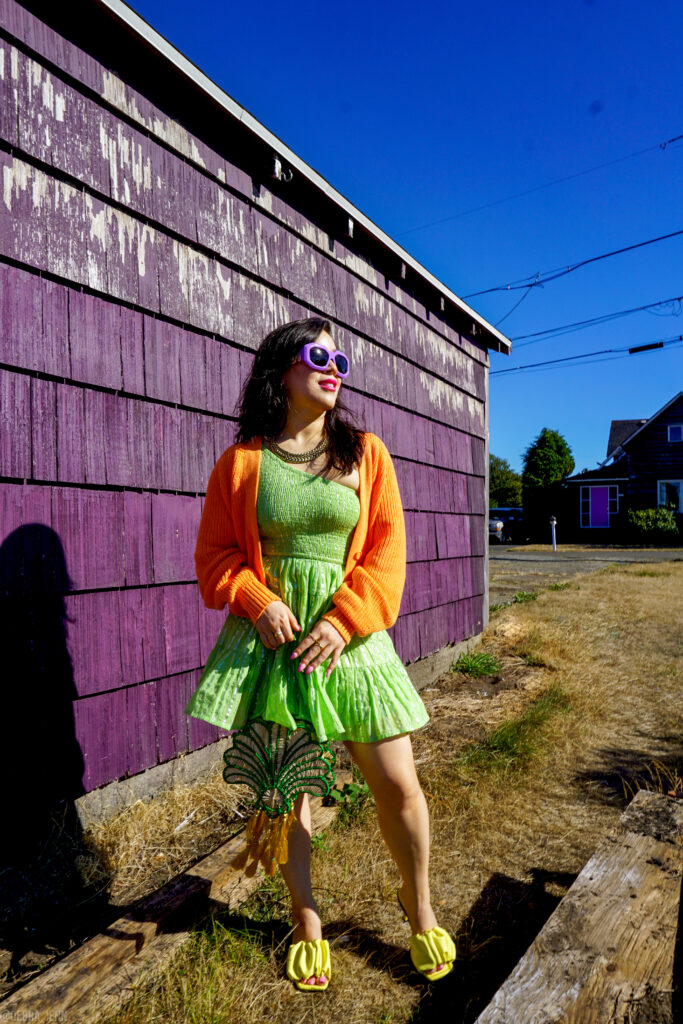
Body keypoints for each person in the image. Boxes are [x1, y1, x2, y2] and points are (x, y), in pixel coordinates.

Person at [185, 317, 456, 990]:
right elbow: (214, 556)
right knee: (287, 796)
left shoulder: (366, 453)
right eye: (317, 355)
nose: (333, 367)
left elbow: (386, 554)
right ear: (281, 368)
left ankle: (416, 905)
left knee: (399, 786)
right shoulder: (243, 461)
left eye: (341, 358)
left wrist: (344, 619)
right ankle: (305, 918)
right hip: (274, 648)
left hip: (352, 641)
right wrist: (254, 597)